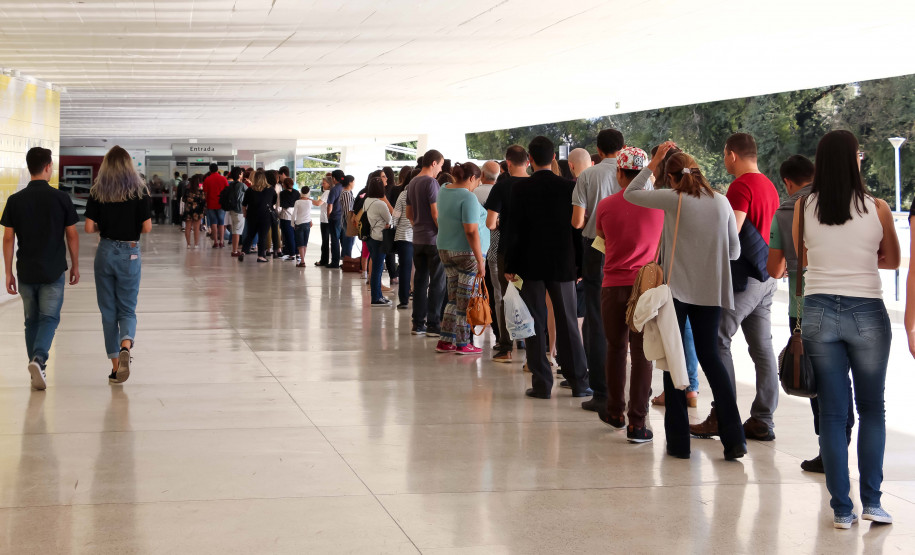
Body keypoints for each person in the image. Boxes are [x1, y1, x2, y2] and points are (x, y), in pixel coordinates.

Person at [794, 130, 899, 529]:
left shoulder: (805, 206)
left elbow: (801, 258)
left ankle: (841, 509)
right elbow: (891, 260)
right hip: (867, 310)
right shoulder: (878, 207)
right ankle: (872, 502)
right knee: (873, 408)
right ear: (854, 160)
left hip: (820, 309)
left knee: (834, 414)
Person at [625, 142, 746, 461]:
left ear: (670, 177)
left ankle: (679, 444)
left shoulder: (673, 199)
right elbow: (734, 252)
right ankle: (735, 438)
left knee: (674, 362)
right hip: (712, 293)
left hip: (676, 294)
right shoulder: (721, 203)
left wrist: (653, 162)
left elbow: (632, 192)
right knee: (712, 360)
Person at [768, 155, 855, 473]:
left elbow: (774, 268)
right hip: (846, 303)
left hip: (805, 309)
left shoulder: (786, 211)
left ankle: (829, 450)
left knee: (818, 381)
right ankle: (843, 437)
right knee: (841, 376)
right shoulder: (840, 204)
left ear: (787, 183)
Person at [691, 133, 781, 442]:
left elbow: (733, 230)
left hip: (744, 281)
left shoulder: (741, 185)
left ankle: (722, 416)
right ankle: (763, 419)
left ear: (731, 155)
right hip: (767, 277)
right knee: (762, 348)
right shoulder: (769, 185)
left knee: (718, 340)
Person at [504, 136, 591, 400]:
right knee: (567, 323)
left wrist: (510, 264)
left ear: (529, 160)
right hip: (562, 263)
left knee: (534, 322)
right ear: (554, 158)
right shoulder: (568, 187)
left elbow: (512, 230)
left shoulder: (519, 189)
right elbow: (577, 228)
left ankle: (542, 383)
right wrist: (580, 264)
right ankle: (579, 382)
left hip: (529, 265)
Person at [593, 146, 663, 442]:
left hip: (612, 285)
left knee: (615, 348)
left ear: (620, 173)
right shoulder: (660, 206)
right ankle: (638, 423)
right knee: (642, 355)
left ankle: (614, 412)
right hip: (645, 289)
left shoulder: (606, 205)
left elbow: (602, 242)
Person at [1, 147, 80, 390]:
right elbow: (72, 234)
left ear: (28, 167)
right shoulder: (61, 198)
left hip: (26, 270)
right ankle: (39, 359)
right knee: (49, 318)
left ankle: (38, 367)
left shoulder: (15, 200)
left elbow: (7, 238)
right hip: (53, 270)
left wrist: (7, 272)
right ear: (47, 167)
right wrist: (75, 264)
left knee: (31, 321)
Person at [83, 145, 152, 385]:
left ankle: (115, 368)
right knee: (127, 307)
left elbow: (89, 227)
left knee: (108, 311)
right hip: (130, 251)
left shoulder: (97, 190)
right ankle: (126, 344)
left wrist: (106, 224)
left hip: (106, 251)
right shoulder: (140, 190)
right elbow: (147, 227)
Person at [571, 129, 626, 414]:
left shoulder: (587, 176)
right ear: (623, 148)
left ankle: (601, 390)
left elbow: (577, 221)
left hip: (595, 247)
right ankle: (631, 386)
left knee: (595, 315)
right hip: (630, 248)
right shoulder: (635, 173)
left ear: (598, 149)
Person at [435, 162, 489, 355]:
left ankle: (446, 340)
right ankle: (463, 342)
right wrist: (480, 260)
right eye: (477, 182)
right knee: (465, 299)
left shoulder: (443, 191)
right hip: (466, 253)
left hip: (444, 248)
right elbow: (471, 230)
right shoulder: (468, 197)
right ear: (472, 178)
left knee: (452, 297)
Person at [485, 145, 530, 362]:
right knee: (531, 297)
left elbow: (490, 223)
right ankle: (530, 344)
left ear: (508, 163)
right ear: (528, 162)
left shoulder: (501, 187)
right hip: (533, 250)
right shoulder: (535, 184)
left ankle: (506, 346)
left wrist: (505, 222)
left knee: (506, 297)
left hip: (507, 250)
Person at [406, 150, 446, 336]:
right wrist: (442, 232)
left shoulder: (412, 182)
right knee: (437, 281)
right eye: (440, 165)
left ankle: (417, 323)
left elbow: (408, 213)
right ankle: (433, 324)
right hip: (433, 239)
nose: (440, 170)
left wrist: (418, 226)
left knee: (420, 281)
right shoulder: (431, 182)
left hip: (417, 238)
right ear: (433, 163)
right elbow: (435, 213)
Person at [476, 161, 500, 339]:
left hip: (480, 247)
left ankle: (488, 319)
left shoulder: (474, 194)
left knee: (487, 289)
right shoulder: (501, 191)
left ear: (482, 175)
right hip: (498, 248)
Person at [364, 177, 393, 306]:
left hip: (370, 237)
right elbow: (390, 219)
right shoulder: (380, 204)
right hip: (380, 238)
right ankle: (376, 297)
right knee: (377, 269)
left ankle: (379, 296)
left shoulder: (367, 201)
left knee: (376, 267)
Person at [238, 170, 277, 263]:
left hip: (252, 215)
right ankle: (260, 256)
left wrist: (245, 213)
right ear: (265, 179)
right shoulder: (271, 189)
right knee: (262, 236)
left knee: (250, 235)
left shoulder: (250, 189)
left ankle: (243, 251)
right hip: (265, 216)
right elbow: (273, 202)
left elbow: (244, 204)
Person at [392, 176, 415, 309]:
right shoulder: (426, 192)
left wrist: (392, 226)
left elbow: (396, 215)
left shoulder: (404, 194)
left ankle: (404, 300)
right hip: (421, 235)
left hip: (404, 236)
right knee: (420, 269)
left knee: (405, 268)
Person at [202, 163, 228, 249]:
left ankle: (215, 242)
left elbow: (205, 193)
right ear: (218, 169)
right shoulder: (223, 178)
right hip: (221, 204)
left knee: (213, 222)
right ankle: (221, 241)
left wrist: (206, 203)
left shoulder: (207, 179)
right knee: (221, 222)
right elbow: (227, 190)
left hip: (211, 203)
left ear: (210, 170)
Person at [325, 169, 346, 268]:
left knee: (334, 240)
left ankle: (335, 262)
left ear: (333, 178)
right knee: (343, 240)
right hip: (344, 217)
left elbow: (330, 205)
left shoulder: (334, 189)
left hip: (335, 218)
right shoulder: (345, 188)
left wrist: (329, 215)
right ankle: (346, 261)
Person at [293, 185, 317, 268]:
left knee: (300, 244)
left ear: (301, 192)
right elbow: (308, 213)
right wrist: (310, 220)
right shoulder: (310, 202)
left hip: (299, 224)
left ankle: (302, 261)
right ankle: (303, 260)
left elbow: (294, 214)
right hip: (307, 224)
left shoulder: (297, 202)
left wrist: (292, 224)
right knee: (305, 244)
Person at [226, 167, 247, 257]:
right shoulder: (242, 185)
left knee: (235, 230)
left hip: (232, 210)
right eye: (241, 173)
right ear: (239, 175)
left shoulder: (231, 184)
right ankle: (234, 251)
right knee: (237, 231)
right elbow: (250, 192)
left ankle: (234, 250)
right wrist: (250, 183)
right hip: (240, 211)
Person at [278, 177, 301, 260]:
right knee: (296, 235)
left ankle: (292, 254)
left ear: (284, 185)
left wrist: (278, 215)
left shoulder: (282, 193)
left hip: (285, 216)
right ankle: (298, 253)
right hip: (296, 216)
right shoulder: (297, 193)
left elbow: (279, 207)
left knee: (289, 236)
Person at [183, 174, 206, 248]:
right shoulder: (200, 190)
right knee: (196, 228)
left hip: (188, 209)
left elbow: (183, 199)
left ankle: (188, 244)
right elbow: (203, 200)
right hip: (198, 210)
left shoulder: (187, 190)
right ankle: (196, 244)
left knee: (188, 227)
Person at [264, 170, 283, 258]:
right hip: (275, 211)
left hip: (267, 210)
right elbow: (278, 200)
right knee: (276, 230)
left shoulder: (265, 187)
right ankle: (278, 250)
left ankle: (268, 250)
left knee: (268, 230)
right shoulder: (278, 187)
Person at [315, 175, 332, 266]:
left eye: (324, 183)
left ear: (329, 184)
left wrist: (308, 199)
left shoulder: (327, 192)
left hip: (325, 219)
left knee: (325, 241)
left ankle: (324, 260)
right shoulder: (330, 192)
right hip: (328, 219)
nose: (322, 184)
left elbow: (318, 203)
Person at [340, 175, 356, 259]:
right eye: (353, 182)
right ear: (350, 182)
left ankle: (346, 259)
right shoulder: (346, 193)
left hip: (347, 221)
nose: (354, 184)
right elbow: (347, 210)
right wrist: (351, 222)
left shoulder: (348, 193)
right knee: (348, 242)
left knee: (349, 241)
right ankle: (347, 260)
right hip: (348, 221)